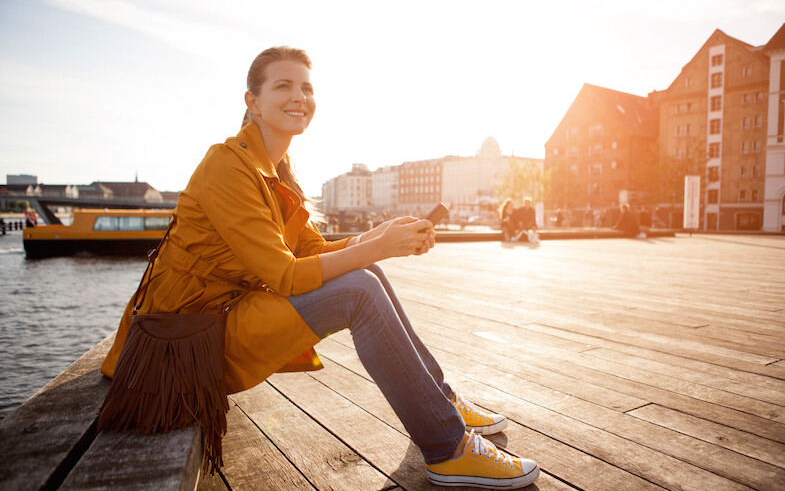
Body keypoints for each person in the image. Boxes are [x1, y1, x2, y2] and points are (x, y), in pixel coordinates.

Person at [100, 46, 539, 489]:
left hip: (219, 319)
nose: (299, 97)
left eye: (307, 88)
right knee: (359, 290)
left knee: (369, 277)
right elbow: (286, 274)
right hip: (177, 344)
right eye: (284, 86)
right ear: (252, 101)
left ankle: (439, 401)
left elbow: (311, 250)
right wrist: (379, 246)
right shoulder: (226, 166)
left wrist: (377, 238)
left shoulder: (278, 169)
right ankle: (448, 449)